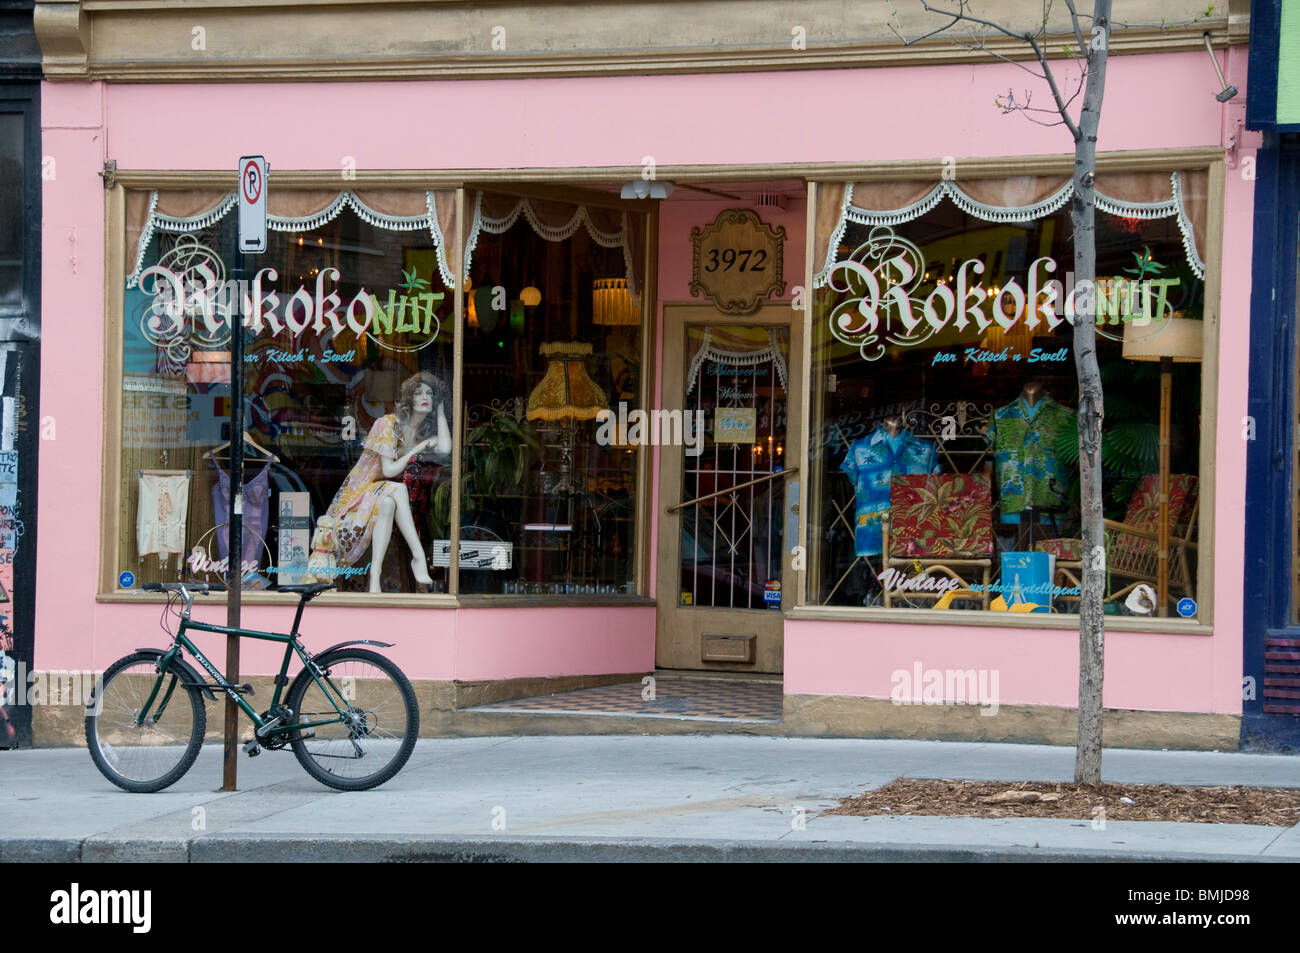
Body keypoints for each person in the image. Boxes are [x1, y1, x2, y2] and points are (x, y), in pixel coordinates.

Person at [318, 371, 451, 592]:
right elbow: (388, 470)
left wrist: (439, 411)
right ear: (408, 398)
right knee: (397, 489)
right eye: (419, 393)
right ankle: (418, 556)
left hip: (384, 497)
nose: (425, 397)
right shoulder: (388, 423)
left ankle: (374, 576)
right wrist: (417, 450)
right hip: (359, 496)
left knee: (389, 503)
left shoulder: (421, 432)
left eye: (430, 393)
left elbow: (446, 449)